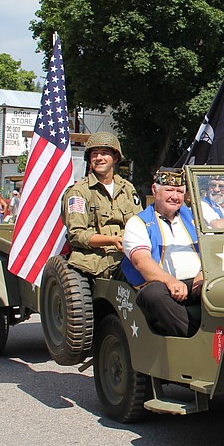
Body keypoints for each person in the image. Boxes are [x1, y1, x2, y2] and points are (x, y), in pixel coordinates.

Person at [121, 169, 204, 337]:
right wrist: (170, 281)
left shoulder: (196, 218)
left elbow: (213, 249)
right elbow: (141, 262)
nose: (175, 196)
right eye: (169, 190)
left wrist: (203, 274)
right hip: (164, 286)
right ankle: (196, 339)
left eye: (180, 191)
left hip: (197, 282)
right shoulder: (139, 223)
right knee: (153, 294)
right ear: (154, 190)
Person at [61, 131, 142, 279]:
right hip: (94, 260)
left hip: (127, 253)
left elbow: (140, 224)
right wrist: (112, 240)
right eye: (94, 154)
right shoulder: (79, 192)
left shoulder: (127, 189)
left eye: (104, 153)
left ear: (115, 157)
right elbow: (76, 234)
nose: (99, 158)